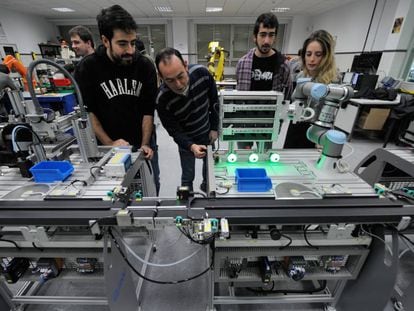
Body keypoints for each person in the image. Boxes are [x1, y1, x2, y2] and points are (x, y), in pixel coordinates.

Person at [74, 5, 160, 194]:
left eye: (133, 42)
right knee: (113, 191)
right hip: (107, 145)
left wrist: (144, 143)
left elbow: (148, 110)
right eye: (122, 44)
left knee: (151, 185)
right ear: (105, 40)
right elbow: (89, 112)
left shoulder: (144, 65)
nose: (130, 50)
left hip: (143, 141)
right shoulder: (88, 68)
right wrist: (110, 143)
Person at [155, 48, 219, 193]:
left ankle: (206, 186)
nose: (178, 85)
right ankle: (188, 198)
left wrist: (214, 128)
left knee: (209, 169)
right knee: (187, 175)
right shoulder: (162, 100)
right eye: (170, 80)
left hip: (207, 132)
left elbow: (215, 102)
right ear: (160, 77)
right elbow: (174, 131)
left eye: (181, 76)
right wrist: (190, 146)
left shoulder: (202, 74)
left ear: (185, 65)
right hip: (186, 140)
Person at [236, 12, 292, 150]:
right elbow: (238, 96)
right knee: (242, 157)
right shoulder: (243, 63)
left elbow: (288, 95)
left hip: (268, 123)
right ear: (255, 37)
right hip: (245, 122)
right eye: (262, 34)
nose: (266, 40)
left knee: (264, 158)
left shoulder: (283, 65)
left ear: (275, 37)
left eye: (271, 34)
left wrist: (279, 121)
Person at [284, 29, 339, 148]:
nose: (312, 59)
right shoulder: (301, 75)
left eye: (318, 54)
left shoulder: (332, 82)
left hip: (317, 131)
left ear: (326, 56)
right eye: (308, 54)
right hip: (296, 127)